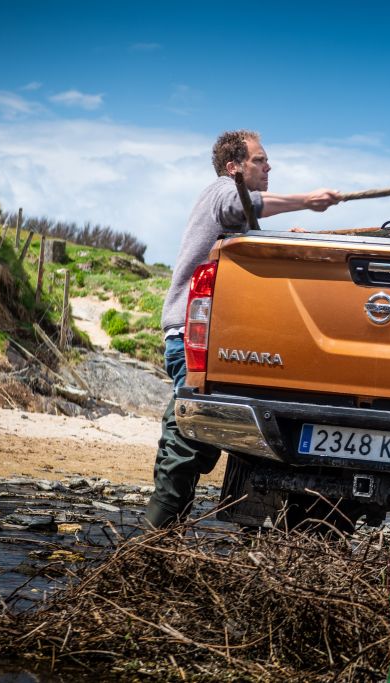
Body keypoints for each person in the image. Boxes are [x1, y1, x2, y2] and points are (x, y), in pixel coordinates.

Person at [145, 130, 341, 529]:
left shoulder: (241, 220)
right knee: (188, 437)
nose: (269, 167)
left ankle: (188, 533)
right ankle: (153, 539)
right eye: (259, 160)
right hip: (194, 337)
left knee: (215, 436)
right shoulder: (220, 192)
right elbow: (239, 204)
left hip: (226, 341)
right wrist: (307, 201)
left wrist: (287, 243)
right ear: (233, 167)